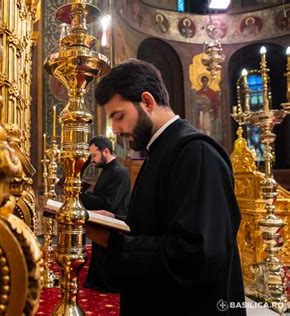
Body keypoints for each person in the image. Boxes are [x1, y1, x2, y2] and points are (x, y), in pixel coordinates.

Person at [86, 59, 246, 315]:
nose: (115, 129)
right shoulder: (159, 151)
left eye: (119, 116)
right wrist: (114, 222)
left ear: (147, 102)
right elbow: (159, 222)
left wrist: (115, 243)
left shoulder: (196, 152)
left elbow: (198, 253)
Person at [80, 136, 130, 293]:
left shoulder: (120, 172)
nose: (92, 160)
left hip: (114, 225)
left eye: (94, 155)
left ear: (106, 151)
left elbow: (109, 204)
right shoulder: (108, 169)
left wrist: (83, 195)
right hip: (103, 223)